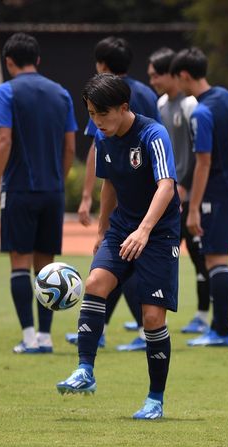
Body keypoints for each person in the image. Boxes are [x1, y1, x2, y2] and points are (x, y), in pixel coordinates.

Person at [56, 73, 180, 421]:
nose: (97, 122)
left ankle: (155, 400)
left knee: (152, 318)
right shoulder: (102, 135)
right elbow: (108, 183)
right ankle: (85, 370)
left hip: (158, 233)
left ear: (124, 108)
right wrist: (101, 231)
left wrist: (144, 230)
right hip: (122, 226)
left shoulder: (152, 135)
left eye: (103, 114)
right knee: (95, 284)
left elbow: (166, 186)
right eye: (92, 113)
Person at [68, 36, 162, 352]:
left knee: (128, 260)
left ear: (102, 65)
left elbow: (97, 150)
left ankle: (122, 327)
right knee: (117, 263)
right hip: (140, 191)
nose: (98, 120)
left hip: (137, 199)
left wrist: (86, 198)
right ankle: (103, 327)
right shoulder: (147, 93)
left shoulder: (101, 94)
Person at [0, 33, 77, 354]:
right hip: (52, 191)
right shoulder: (62, 94)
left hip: (20, 190)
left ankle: (27, 336)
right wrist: (58, 179)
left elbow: (4, 141)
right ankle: (46, 337)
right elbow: (70, 146)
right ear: (38, 60)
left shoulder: (6, 91)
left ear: (9, 62)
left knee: (19, 264)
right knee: (47, 267)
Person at [171, 48, 228, 348]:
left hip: (215, 194)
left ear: (185, 76)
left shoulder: (199, 111)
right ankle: (219, 328)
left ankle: (220, 331)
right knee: (219, 258)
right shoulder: (226, 97)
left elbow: (202, 162)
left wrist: (192, 210)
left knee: (216, 259)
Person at [146, 47, 210, 335]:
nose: (153, 81)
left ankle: (203, 314)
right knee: (162, 251)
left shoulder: (191, 105)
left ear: (173, 75)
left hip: (185, 190)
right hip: (169, 189)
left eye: (156, 75)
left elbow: (199, 153)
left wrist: (184, 186)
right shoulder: (161, 104)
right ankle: (149, 315)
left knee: (198, 252)